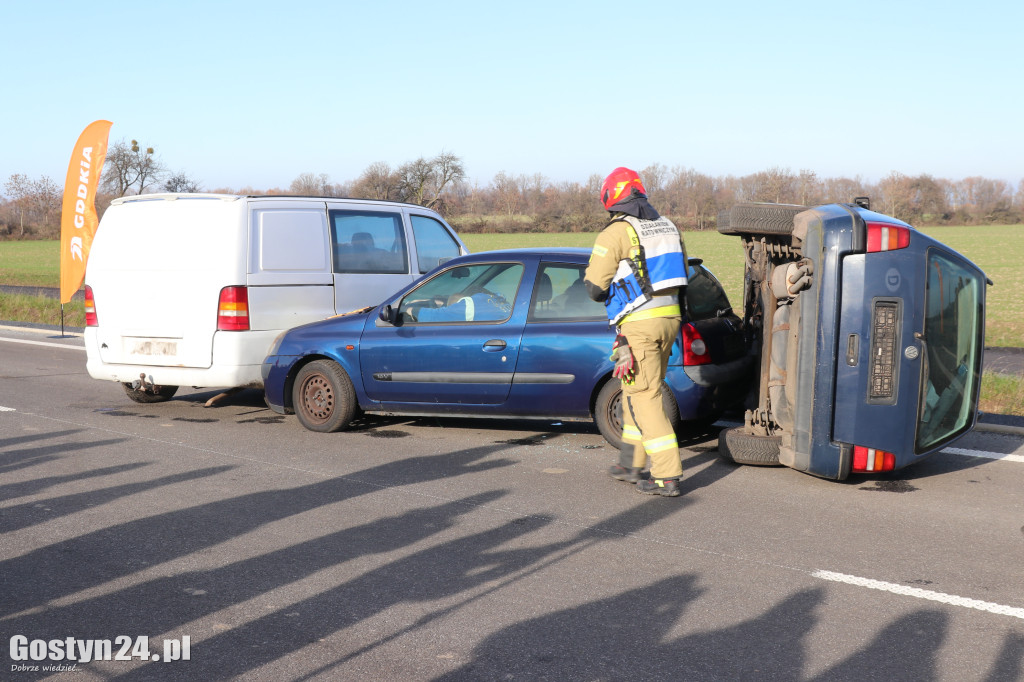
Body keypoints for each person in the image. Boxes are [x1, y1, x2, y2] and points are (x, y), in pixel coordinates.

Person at [584, 167, 688, 497]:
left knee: (644, 397)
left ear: (610, 198)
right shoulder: (667, 225)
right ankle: (630, 463)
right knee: (634, 390)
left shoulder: (616, 232)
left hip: (639, 325)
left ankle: (666, 475)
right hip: (670, 318)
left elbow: (594, 288)